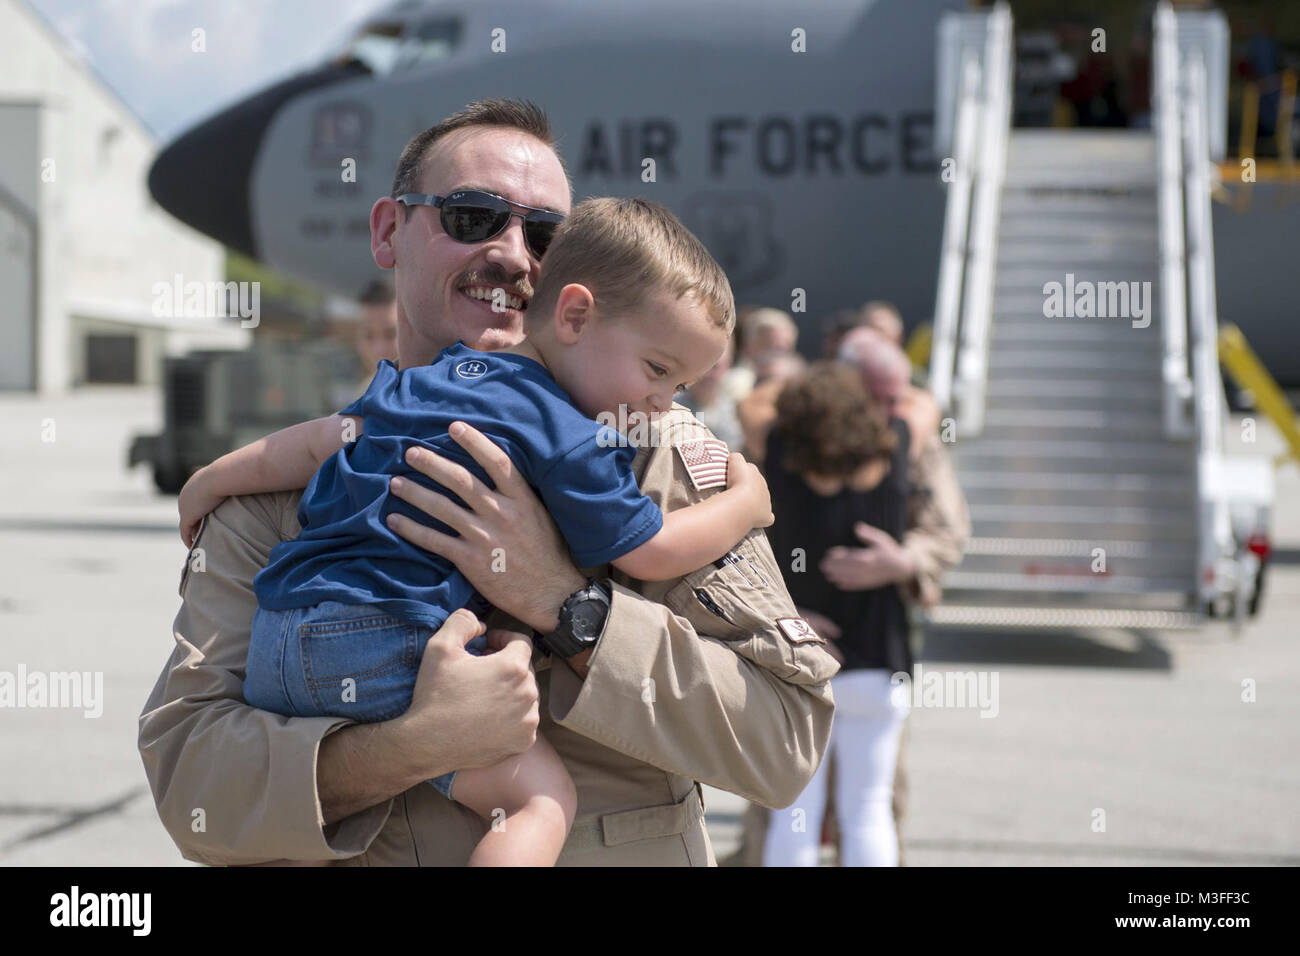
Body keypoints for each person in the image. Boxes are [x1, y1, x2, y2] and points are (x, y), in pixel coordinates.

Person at [138, 98, 838, 866]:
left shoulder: (655, 455)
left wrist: (573, 612)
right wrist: (410, 746)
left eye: (545, 233)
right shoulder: (287, 494)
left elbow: (784, 746)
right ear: (386, 232)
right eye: (472, 216)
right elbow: (193, 790)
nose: (513, 253)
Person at [761, 363, 912, 866]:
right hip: (878, 656)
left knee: (794, 811)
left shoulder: (781, 453)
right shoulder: (894, 444)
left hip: (799, 652)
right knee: (869, 809)